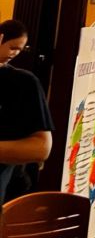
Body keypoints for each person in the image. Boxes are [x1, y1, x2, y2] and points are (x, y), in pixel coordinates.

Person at [0, 20, 54, 205]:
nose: (14, 53)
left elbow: (41, 147)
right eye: (13, 47)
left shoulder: (23, 83)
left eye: (18, 49)